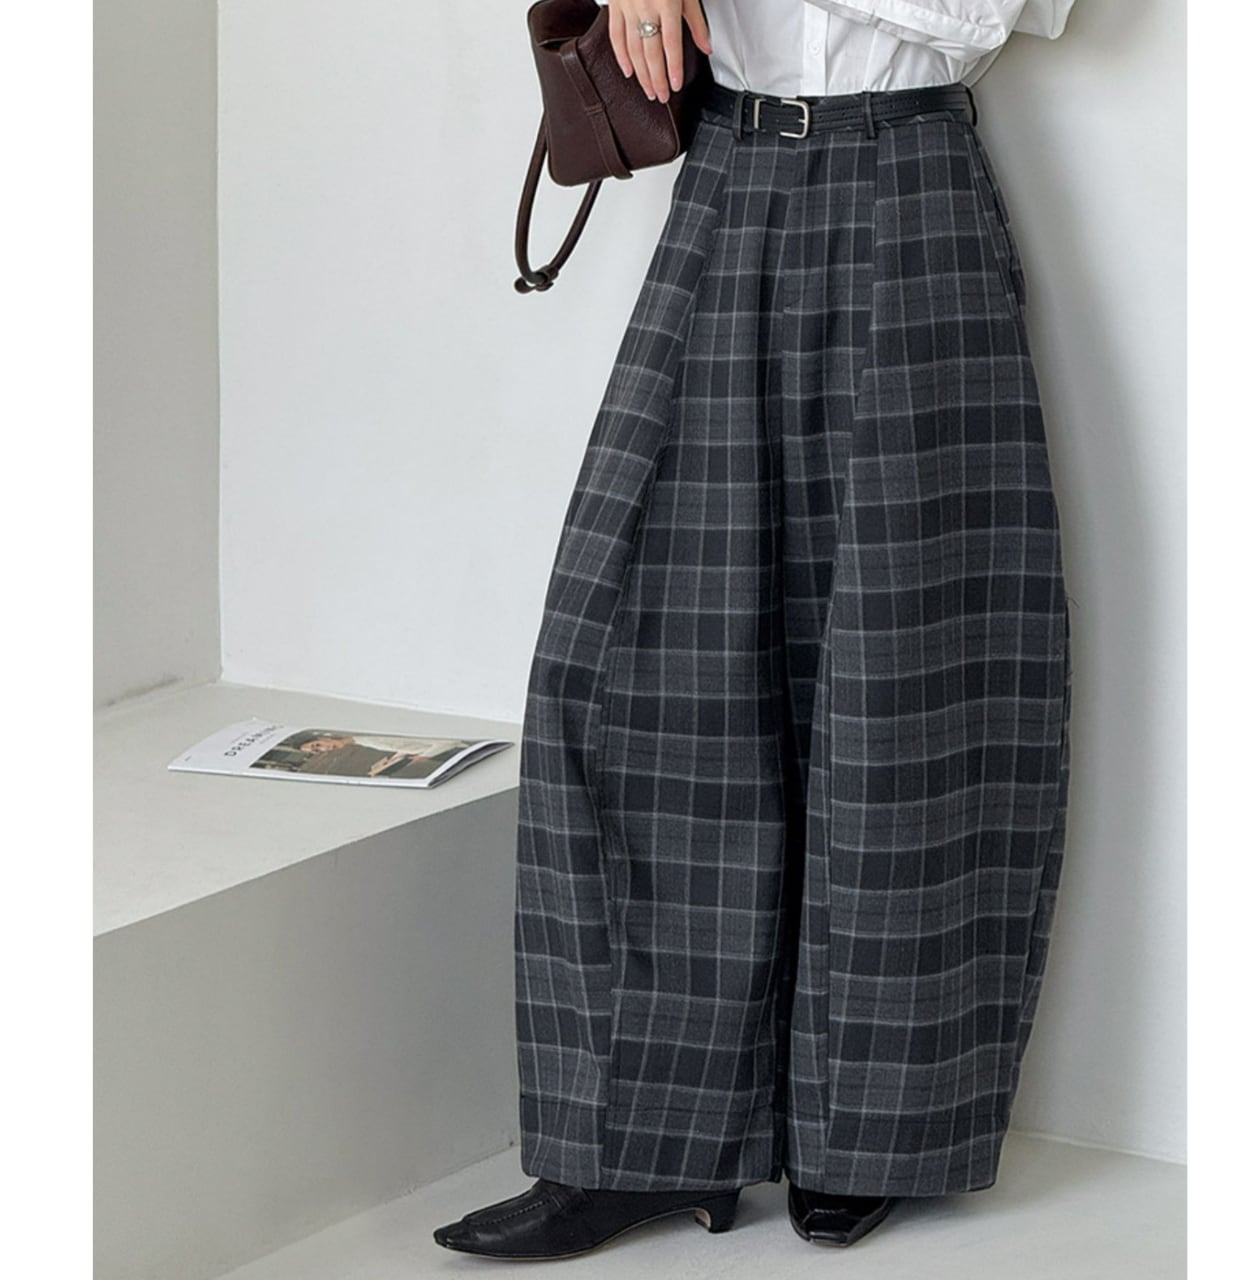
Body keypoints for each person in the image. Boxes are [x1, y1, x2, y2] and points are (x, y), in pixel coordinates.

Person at [435, 0, 1076, 1258]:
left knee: (904, 672)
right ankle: (643, 1141)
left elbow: (995, 11)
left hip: (911, 185)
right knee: (627, 660)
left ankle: (874, 1129)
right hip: (727, 174)